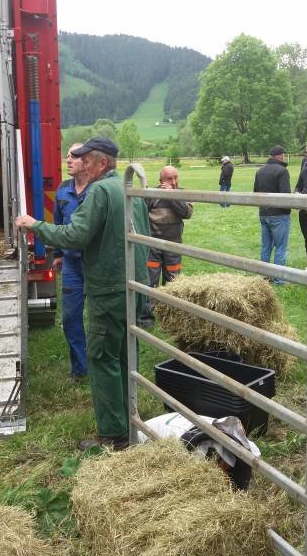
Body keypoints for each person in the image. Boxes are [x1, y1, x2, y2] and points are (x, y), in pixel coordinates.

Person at [15, 137, 150, 451]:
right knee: (124, 354)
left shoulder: (100, 191)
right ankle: (128, 420)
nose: (82, 165)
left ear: (102, 163)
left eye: (86, 160)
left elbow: (75, 235)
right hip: (135, 283)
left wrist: (35, 225)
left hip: (109, 287)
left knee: (102, 356)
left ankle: (113, 435)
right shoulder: (128, 188)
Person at [52, 144, 90, 380]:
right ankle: (80, 369)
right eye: (67, 156)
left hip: (96, 265)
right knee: (70, 318)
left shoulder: (98, 190)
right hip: (71, 266)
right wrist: (57, 253)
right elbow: (58, 224)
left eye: (73, 157)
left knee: (99, 319)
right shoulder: (62, 190)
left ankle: (102, 362)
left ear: (87, 162)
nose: (68, 160)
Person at [138, 165, 193, 328]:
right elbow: (141, 214)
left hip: (173, 247)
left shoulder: (182, 193)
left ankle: (170, 318)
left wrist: (171, 196)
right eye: (169, 179)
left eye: (176, 178)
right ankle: (146, 318)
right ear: (161, 180)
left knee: (173, 282)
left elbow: (187, 213)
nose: (174, 182)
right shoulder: (152, 194)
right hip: (153, 247)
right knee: (150, 281)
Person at [253, 145, 291, 282]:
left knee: (266, 247)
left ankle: (264, 276)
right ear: (280, 156)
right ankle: (279, 279)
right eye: (283, 155)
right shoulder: (282, 171)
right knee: (281, 247)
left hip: (264, 213)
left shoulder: (260, 171)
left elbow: (255, 192)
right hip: (279, 214)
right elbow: (285, 195)